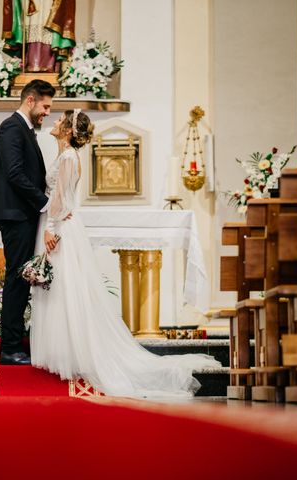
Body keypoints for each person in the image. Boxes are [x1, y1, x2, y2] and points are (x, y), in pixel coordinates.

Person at [30, 109, 222, 397]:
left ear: (68, 129)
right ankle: (64, 353)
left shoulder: (69, 157)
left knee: (66, 291)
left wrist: (52, 228)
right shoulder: (65, 155)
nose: (54, 121)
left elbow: (61, 198)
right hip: (60, 225)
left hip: (61, 228)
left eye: (60, 120)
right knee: (62, 291)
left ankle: (73, 356)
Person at [0, 79, 56, 365]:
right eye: (45, 106)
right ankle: (10, 348)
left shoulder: (25, 130)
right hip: (16, 215)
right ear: (30, 100)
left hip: (22, 214)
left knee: (21, 278)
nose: (47, 112)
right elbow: (15, 174)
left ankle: (16, 343)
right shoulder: (11, 128)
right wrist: (45, 203)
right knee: (17, 278)